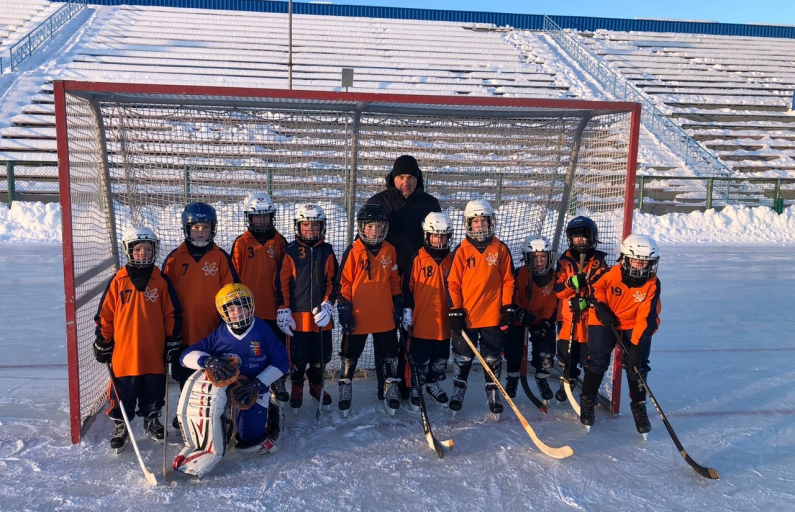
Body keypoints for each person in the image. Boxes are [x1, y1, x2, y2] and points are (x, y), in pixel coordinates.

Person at [174, 283, 290, 478]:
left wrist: (257, 384)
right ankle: (224, 421)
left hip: (254, 389)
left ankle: (271, 412)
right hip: (226, 390)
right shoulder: (220, 333)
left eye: (241, 306)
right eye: (231, 308)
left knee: (250, 442)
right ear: (224, 311)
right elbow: (185, 357)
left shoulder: (262, 329)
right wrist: (208, 361)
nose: (237, 312)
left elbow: (282, 362)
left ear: (250, 305)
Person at [93, 226, 182, 452]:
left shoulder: (160, 281)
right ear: (129, 251)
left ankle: (152, 420)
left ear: (155, 251)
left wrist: (172, 340)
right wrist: (103, 341)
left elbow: (171, 313)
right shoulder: (119, 280)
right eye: (138, 249)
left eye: (148, 249)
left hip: (153, 351)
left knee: (153, 389)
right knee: (124, 391)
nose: (143, 253)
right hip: (124, 353)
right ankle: (122, 425)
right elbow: (106, 314)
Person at [366, 155, 442, 400]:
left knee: (413, 336)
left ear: (417, 178)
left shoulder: (430, 203)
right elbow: (365, 240)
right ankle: (387, 384)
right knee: (386, 337)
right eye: (400, 177)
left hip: (420, 282)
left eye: (410, 177)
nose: (405, 182)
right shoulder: (378, 202)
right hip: (385, 282)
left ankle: (411, 382)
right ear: (392, 178)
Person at [163, 202, 239, 429]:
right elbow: (165, 296)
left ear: (212, 229)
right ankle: (184, 410)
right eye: (195, 227)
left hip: (212, 332)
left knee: (214, 375)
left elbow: (231, 294)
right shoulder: (175, 258)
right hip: (183, 332)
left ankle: (216, 409)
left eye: (205, 228)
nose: (200, 232)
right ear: (187, 229)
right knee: (184, 376)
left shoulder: (220, 257)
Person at [580, 234, 661, 435]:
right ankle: (588, 400)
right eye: (636, 260)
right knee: (598, 361)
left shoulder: (652, 284)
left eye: (645, 262)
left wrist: (635, 349)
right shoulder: (611, 273)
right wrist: (601, 307)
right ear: (625, 259)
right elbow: (594, 289)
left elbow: (646, 319)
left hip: (634, 323)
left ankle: (639, 407)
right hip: (605, 319)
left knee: (638, 365)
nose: (640, 266)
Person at [446, 199, 516, 417]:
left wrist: (507, 308)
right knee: (463, 356)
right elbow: (453, 283)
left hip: (492, 316)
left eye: (483, 222)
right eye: (475, 222)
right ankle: (458, 389)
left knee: (493, 357)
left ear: (490, 223)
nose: (479, 226)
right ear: (468, 224)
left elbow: (508, 281)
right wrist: (455, 310)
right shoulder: (461, 250)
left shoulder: (500, 248)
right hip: (467, 316)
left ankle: (493, 392)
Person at [336, 204, 402, 416]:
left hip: (384, 313)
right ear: (362, 228)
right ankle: (345, 386)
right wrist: (344, 308)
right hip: (359, 314)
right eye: (370, 227)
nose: (375, 231)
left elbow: (394, 280)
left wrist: (398, 302)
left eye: (379, 226)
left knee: (390, 353)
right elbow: (344, 283)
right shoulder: (353, 251)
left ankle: (389, 387)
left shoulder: (389, 250)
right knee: (350, 353)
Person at [275, 204, 338, 413]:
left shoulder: (327, 251)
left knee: (321, 355)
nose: (310, 230)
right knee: (298, 356)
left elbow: (333, 282)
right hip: (297, 315)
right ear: (298, 227)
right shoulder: (290, 251)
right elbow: (281, 282)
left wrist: (328, 303)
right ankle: (297, 386)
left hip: (321, 315)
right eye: (305, 225)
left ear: (322, 227)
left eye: (314, 226)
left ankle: (317, 384)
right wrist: (284, 309)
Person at [231, 192, 289, 405]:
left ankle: (278, 381)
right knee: (252, 349)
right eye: (258, 217)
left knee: (276, 347)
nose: (262, 221)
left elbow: (286, 273)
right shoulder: (242, 243)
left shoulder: (280, 241)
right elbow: (234, 278)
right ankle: (249, 381)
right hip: (249, 311)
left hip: (274, 308)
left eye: (266, 216)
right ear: (249, 218)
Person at [401, 212, 454, 410]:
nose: (439, 240)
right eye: (435, 236)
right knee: (419, 357)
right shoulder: (418, 259)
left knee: (439, 357)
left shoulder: (453, 259)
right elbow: (407, 287)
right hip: (422, 320)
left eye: (443, 236)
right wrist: (407, 311)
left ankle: (432, 383)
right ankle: (416, 385)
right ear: (427, 235)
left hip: (444, 322)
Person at [553, 216, 608, 402]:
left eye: (584, 236)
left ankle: (588, 390)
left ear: (592, 237)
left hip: (589, 321)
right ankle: (568, 380)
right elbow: (558, 291)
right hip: (568, 320)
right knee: (567, 355)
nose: (580, 240)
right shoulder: (564, 261)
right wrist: (571, 283)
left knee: (588, 357)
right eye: (576, 237)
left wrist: (586, 300)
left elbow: (603, 290)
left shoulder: (600, 262)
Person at [505, 235, 558, 401]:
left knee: (545, 351)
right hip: (521, 319)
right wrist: (520, 312)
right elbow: (512, 296)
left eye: (543, 257)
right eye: (534, 258)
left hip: (541, 320)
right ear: (527, 258)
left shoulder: (555, 277)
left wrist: (545, 322)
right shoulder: (519, 274)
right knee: (513, 348)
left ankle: (542, 379)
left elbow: (552, 302)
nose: (539, 262)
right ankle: (512, 378)